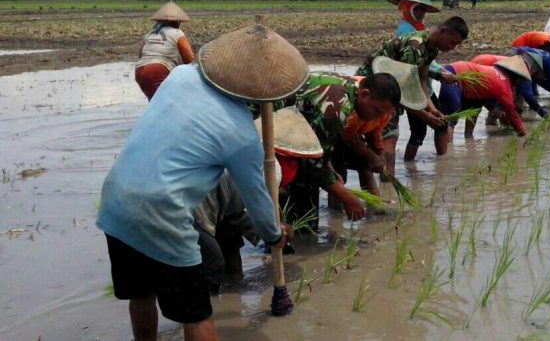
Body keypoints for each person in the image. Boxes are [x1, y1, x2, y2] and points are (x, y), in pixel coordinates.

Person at [97, 24, 305, 341]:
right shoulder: (241, 135)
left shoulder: (179, 77)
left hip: (115, 200)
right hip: (161, 212)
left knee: (142, 294)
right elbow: (258, 202)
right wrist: (275, 235)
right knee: (196, 315)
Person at [194, 107, 326, 293]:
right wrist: (275, 233)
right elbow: (248, 211)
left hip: (217, 206)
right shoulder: (270, 168)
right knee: (212, 266)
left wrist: (270, 231)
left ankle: (229, 296)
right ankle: (206, 314)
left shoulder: (243, 146)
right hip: (195, 211)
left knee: (228, 243)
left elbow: (237, 213)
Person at [279, 71, 408, 228]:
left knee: (308, 206)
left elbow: (321, 150)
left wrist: (331, 171)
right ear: (365, 94)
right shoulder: (336, 107)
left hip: (293, 134)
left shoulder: (351, 89)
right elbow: (313, 162)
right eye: (377, 111)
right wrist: (347, 198)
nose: (376, 118)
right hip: (274, 133)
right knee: (300, 216)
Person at [356, 16, 468, 173]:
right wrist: (423, 115)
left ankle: (387, 180)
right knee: (388, 138)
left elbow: (421, 78)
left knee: (389, 138)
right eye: (452, 42)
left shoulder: (432, 48)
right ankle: (387, 183)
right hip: (374, 88)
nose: (453, 48)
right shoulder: (415, 47)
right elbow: (403, 89)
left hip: (393, 87)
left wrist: (431, 108)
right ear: (443, 31)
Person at [386, 0, 452, 162]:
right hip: (408, 87)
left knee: (441, 122)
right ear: (407, 8)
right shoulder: (406, 31)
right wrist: (439, 73)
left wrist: (439, 70)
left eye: (423, 9)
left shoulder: (421, 29)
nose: (422, 13)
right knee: (419, 131)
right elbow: (408, 72)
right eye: (418, 9)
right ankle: (409, 167)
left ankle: (442, 164)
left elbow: (425, 65)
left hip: (423, 87)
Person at [437, 56, 531, 153]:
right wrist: (523, 134)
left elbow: (484, 94)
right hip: (454, 74)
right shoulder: (504, 87)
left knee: (475, 109)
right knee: (449, 120)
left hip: (469, 86)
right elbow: (512, 113)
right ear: (516, 78)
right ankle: (446, 155)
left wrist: (493, 110)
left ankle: (469, 142)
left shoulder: (496, 71)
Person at [134, 1, 194, 101]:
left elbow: (141, 54)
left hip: (139, 71)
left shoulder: (150, 34)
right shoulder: (177, 33)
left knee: (154, 102)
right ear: (177, 22)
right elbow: (189, 58)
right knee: (165, 102)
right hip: (158, 71)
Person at [470, 52, 549, 119]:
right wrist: (542, 112)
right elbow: (528, 96)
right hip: (485, 66)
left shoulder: (521, 64)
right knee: (481, 102)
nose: (543, 79)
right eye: (544, 76)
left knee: (480, 101)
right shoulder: (523, 70)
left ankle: (490, 123)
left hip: (479, 60)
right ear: (539, 70)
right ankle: (494, 120)